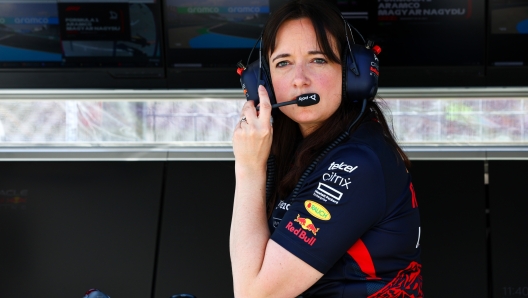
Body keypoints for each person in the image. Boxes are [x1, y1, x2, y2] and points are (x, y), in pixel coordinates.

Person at [230, 1, 422, 297]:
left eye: (318, 60)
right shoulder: (296, 148)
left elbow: (255, 294)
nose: (299, 79)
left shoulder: (357, 163)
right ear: (262, 83)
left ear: (352, 73)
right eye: (283, 63)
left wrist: (248, 169)